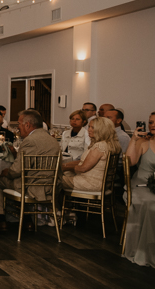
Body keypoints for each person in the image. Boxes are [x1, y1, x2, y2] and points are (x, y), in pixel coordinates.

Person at [0, 110, 60, 234]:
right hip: (51, 185)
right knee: (20, 179)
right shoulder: (53, 140)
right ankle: (26, 219)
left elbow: (17, 170)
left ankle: (0, 219)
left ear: (27, 125)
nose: (18, 128)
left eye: (19, 124)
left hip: (32, 187)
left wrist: (7, 172)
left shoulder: (30, 141)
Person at [62, 117, 121, 227]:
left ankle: (61, 214)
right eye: (89, 126)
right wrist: (64, 166)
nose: (89, 129)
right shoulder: (111, 144)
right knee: (64, 173)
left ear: (101, 129)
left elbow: (83, 168)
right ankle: (72, 211)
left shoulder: (100, 146)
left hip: (91, 183)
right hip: (103, 183)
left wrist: (63, 168)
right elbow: (82, 162)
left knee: (54, 178)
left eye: (92, 127)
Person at [124, 112, 155, 267]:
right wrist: (134, 139)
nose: (152, 125)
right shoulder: (144, 142)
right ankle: (145, 251)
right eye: (150, 122)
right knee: (151, 203)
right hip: (141, 184)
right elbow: (130, 162)